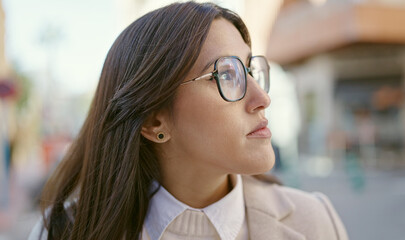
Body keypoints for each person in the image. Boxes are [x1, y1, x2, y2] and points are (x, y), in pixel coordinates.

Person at [29, 2, 348, 240]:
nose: (262, 99)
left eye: (251, 71)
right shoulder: (61, 232)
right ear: (154, 122)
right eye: (225, 74)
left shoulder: (314, 221)